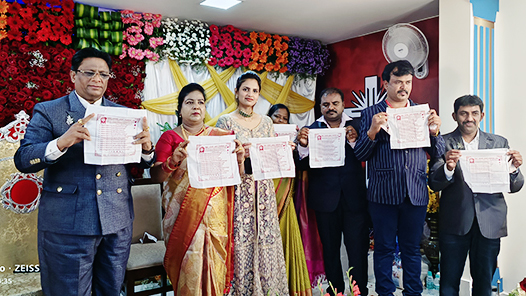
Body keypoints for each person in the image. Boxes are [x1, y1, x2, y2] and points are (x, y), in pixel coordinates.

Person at [14, 47, 155, 296]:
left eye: (104, 74)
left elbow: (142, 164)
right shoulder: (49, 111)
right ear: (72, 75)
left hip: (117, 220)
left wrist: (146, 149)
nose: (97, 79)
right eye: (89, 72)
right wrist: (61, 143)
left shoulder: (123, 114)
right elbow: (24, 159)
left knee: (110, 290)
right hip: (68, 223)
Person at [354, 60, 445, 296]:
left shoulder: (423, 113)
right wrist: (372, 131)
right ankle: (385, 293)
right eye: (397, 82)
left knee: (412, 249)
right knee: (383, 249)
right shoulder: (370, 113)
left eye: (407, 82)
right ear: (386, 83)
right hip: (382, 193)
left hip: (415, 192)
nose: (403, 87)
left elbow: (439, 153)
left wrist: (435, 133)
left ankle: (413, 293)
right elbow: (360, 155)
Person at [150, 83, 245, 296]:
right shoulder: (170, 138)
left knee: (215, 267)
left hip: (215, 219)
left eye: (201, 102)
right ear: (179, 109)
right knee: (188, 268)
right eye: (189, 102)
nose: (196, 107)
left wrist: (239, 161)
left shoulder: (221, 137)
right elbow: (156, 177)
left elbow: (233, 179)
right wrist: (173, 161)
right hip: (184, 219)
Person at [428, 95, 523, 296]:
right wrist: (448, 168)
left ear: (482, 115)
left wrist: (514, 169)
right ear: (455, 116)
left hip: (489, 222)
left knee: (484, 285)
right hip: (455, 222)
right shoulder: (443, 142)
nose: (469, 118)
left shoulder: (498, 142)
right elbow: (434, 183)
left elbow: (515, 186)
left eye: (474, 113)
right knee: (448, 283)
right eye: (463, 113)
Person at [216, 71, 289, 296]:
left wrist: (284, 150)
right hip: (240, 190)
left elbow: (270, 157)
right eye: (245, 89)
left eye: (255, 91)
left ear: (259, 96)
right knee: (241, 239)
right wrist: (240, 155)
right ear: (236, 92)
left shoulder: (267, 122)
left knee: (266, 238)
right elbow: (221, 159)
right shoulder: (225, 120)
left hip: (264, 190)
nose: (250, 94)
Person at [296, 88, 369, 296]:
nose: (331, 108)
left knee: (357, 250)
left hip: (354, 199)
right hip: (325, 201)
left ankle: (359, 291)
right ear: (320, 107)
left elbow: (366, 155)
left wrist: (354, 141)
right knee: (330, 250)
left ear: (343, 105)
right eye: (326, 104)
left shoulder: (356, 125)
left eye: (335, 103)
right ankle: (335, 289)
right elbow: (302, 167)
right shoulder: (311, 130)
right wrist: (303, 147)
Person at [267, 104, 312, 295]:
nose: (279, 121)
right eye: (276, 116)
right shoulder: (259, 139)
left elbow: (302, 166)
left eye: (284, 118)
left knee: (286, 238)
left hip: (285, 199)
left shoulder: (292, 142)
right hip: (265, 201)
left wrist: (299, 146)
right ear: (268, 118)